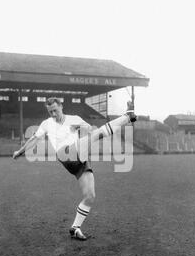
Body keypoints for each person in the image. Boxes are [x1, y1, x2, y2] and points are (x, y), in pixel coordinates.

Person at [13, 97, 136, 241]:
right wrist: (20, 152)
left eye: (55, 110)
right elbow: (34, 139)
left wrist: (79, 127)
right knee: (95, 136)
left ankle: (75, 228)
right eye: (50, 111)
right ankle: (127, 116)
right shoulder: (46, 124)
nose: (53, 114)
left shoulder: (74, 118)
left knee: (90, 196)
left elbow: (89, 129)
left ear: (61, 106)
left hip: (79, 156)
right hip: (65, 154)